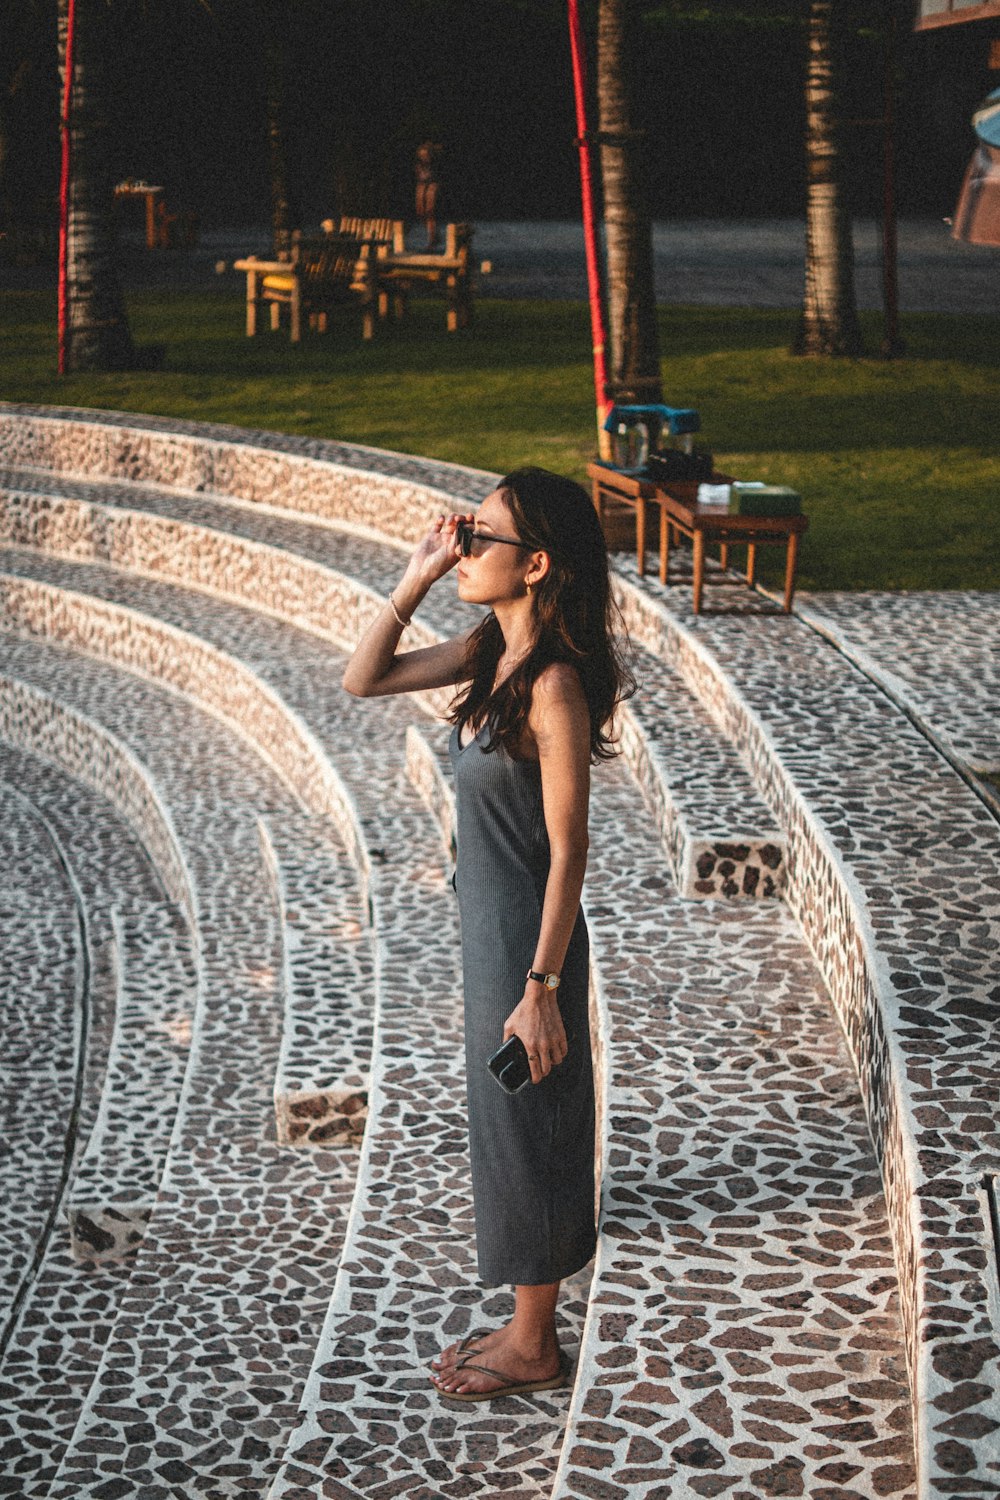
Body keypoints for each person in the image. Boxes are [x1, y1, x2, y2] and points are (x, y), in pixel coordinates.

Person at [342, 467, 634, 1401]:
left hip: (526, 940)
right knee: (505, 1118)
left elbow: (570, 851)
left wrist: (542, 988)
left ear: (538, 565)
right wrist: (419, 574)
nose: (464, 547)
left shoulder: (552, 685)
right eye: (466, 532)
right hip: (488, 923)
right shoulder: (488, 652)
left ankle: (535, 1341)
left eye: (482, 537)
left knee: (530, 1118)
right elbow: (364, 678)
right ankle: (525, 1316)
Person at [414, 139, 442, 250]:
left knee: (429, 211)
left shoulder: (434, 163)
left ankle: (432, 238)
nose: (424, 157)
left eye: (426, 155)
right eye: (422, 155)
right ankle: (435, 235)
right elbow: (418, 175)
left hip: (432, 183)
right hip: (421, 183)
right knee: (420, 211)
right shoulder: (418, 163)